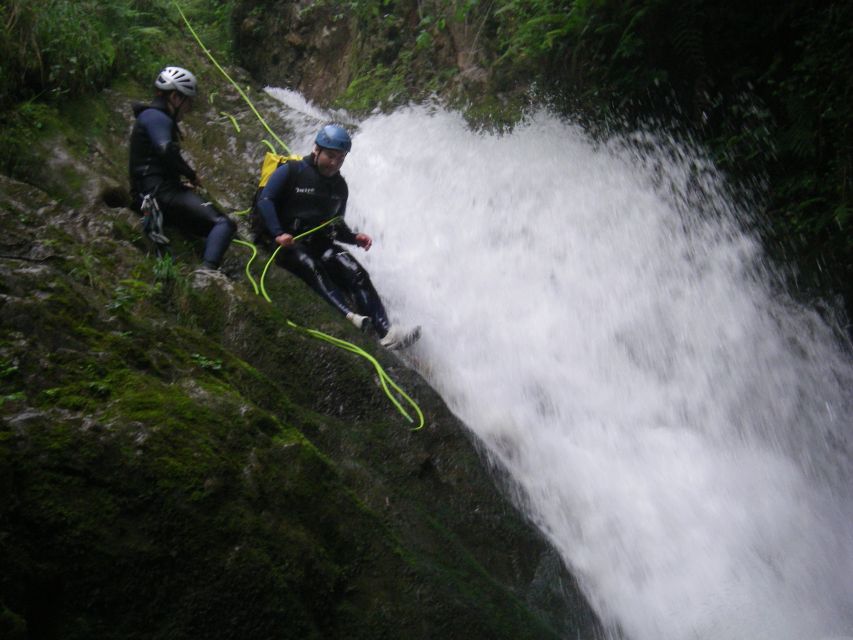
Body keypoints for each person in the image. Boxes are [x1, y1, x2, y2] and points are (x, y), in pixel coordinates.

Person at [254, 124, 419, 349]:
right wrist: (277, 233)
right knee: (310, 265)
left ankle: (386, 331)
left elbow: (334, 225)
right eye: (330, 156)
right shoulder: (291, 171)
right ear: (317, 150)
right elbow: (266, 200)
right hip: (286, 241)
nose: (334, 163)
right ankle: (350, 316)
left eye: (340, 159)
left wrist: (353, 238)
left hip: (317, 241)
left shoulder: (339, 187)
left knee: (355, 271)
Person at [128, 66, 236, 272]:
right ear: (176, 97)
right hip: (158, 194)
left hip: (151, 193)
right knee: (224, 224)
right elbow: (165, 149)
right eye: (188, 102)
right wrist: (191, 174)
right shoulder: (156, 116)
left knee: (206, 226)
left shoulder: (150, 117)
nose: (189, 108)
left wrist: (179, 182)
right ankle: (207, 274)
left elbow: (154, 161)